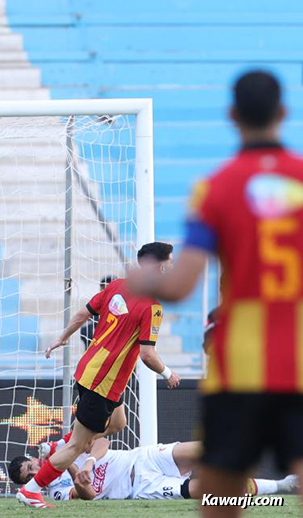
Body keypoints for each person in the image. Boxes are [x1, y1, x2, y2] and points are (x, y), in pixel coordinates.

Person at [127, 70, 303, 518]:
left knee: (219, 499)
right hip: (297, 363)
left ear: (231, 115)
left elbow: (180, 286)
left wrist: (138, 279)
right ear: (283, 113)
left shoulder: (217, 188)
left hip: (238, 367)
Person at [16, 242, 181, 509]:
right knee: (77, 448)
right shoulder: (152, 307)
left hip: (89, 371)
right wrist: (168, 373)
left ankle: (63, 442)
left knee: (118, 422)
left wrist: (62, 337)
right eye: (171, 262)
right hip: (103, 383)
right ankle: (32, 489)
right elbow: (147, 354)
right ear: (160, 266)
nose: (172, 266)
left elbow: (83, 313)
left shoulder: (115, 286)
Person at [9, 438, 296, 501]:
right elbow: (90, 494)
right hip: (141, 488)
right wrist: (73, 468)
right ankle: (284, 485)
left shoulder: (67, 446)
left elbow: (102, 441)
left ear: (35, 459)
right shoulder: (56, 491)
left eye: (30, 467)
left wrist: (85, 460)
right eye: (29, 477)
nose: (35, 473)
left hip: (143, 458)